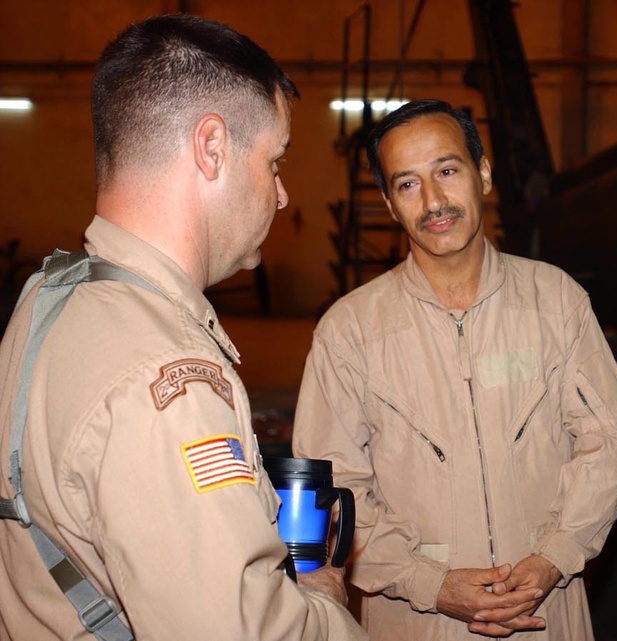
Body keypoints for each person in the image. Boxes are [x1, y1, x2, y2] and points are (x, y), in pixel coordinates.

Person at [0, 14, 367, 641]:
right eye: (274, 161)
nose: (280, 196)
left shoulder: (49, 298)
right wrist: (324, 605)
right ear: (212, 147)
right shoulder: (164, 379)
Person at [292, 98, 617, 640]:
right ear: (389, 204)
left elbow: (613, 440)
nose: (433, 201)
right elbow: (331, 493)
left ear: (482, 173)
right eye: (407, 185)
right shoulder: (350, 332)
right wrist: (429, 583)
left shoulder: (555, 301)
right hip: (416, 619)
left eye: (447, 171)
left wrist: (553, 555)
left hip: (543, 612)